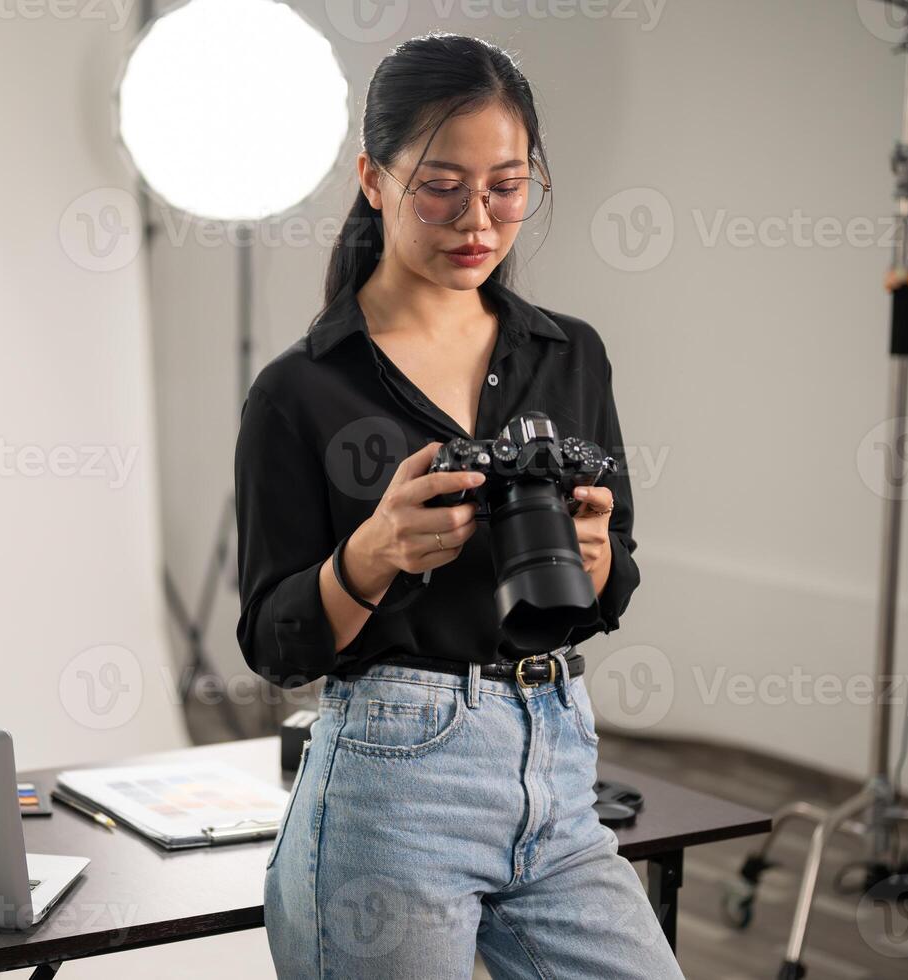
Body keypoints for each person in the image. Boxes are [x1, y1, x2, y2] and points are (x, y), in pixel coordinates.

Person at [234, 32, 686, 980]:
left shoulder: (570, 356)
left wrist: (599, 560)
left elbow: (616, 572)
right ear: (372, 176)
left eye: (507, 185)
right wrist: (372, 554)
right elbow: (275, 645)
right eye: (439, 185)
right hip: (391, 783)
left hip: (557, 768)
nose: (476, 218)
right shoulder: (301, 391)